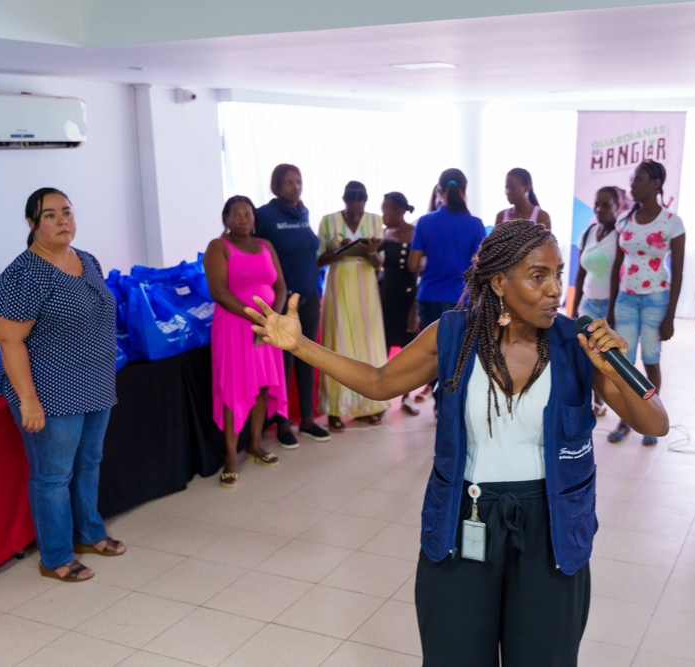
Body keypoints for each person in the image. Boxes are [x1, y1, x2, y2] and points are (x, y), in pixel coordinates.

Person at [246, 219, 669, 666]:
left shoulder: (576, 343)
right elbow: (378, 381)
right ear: (499, 281)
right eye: (538, 275)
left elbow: (655, 422)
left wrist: (612, 369)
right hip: (464, 517)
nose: (554, 290)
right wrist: (300, 346)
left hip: (552, 526)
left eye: (558, 275)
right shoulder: (452, 336)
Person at [0, 188, 125, 582]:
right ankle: (56, 556)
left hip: (94, 382)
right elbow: (8, 339)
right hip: (49, 391)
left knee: (89, 463)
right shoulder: (24, 273)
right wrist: (28, 401)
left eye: (66, 211)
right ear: (32, 224)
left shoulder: (86, 259)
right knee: (53, 476)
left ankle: (89, 533)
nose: (62, 220)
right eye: (50, 215)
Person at [203, 196, 287, 488]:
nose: (242, 220)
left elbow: (280, 285)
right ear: (225, 218)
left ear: (254, 218)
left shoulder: (266, 245)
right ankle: (230, 457)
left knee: (262, 383)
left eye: (247, 214)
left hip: (266, 326)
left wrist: (272, 316)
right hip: (234, 325)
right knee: (234, 386)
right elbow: (219, 292)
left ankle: (254, 444)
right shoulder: (218, 247)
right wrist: (255, 316)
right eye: (235, 215)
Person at [607, 160, 685, 445]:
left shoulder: (672, 223)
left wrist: (671, 317)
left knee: (651, 360)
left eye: (638, 180)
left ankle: (652, 418)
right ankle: (626, 419)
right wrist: (611, 307)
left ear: (655, 184)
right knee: (624, 362)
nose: (632, 185)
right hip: (626, 299)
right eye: (632, 179)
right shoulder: (624, 220)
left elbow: (678, 272)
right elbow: (618, 262)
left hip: (656, 300)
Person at [255, 164, 331, 448]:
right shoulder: (264, 216)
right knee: (283, 363)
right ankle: (283, 422)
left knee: (307, 357)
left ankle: (308, 421)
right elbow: (257, 254)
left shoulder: (303, 212)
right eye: (288, 182)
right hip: (284, 303)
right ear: (276, 187)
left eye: (298, 181)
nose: (295, 186)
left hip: (311, 296)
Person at [316, 181, 391, 431]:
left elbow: (378, 263)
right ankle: (336, 408)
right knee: (339, 344)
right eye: (352, 197)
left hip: (366, 287)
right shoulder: (328, 222)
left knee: (367, 344)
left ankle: (369, 405)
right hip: (339, 286)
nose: (357, 203)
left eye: (361, 198)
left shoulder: (375, 221)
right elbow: (318, 261)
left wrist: (370, 252)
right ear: (344, 199)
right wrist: (337, 251)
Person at [409, 168, 486, 329]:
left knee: (431, 351)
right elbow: (479, 265)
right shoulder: (475, 224)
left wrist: (430, 261)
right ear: (464, 190)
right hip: (461, 299)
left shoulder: (424, 222)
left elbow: (413, 265)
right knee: (458, 352)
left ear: (439, 190)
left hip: (428, 297)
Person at [570, 186, 621, 416]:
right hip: (588, 304)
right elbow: (580, 273)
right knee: (585, 354)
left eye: (606, 205)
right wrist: (573, 308)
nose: (600, 209)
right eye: (597, 204)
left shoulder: (621, 235)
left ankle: (605, 400)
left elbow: (618, 274)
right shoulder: (589, 233)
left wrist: (611, 312)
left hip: (610, 304)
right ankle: (591, 399)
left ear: (618, 207)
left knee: (608, 355)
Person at [380, 191, 421, 415]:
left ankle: (407, 396)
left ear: (399, 211)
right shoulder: (384, 233)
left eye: (386, 209)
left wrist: (414, 310)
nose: (382, 214)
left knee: (408, 350)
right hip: (386, 297)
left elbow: (419, 273)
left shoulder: (415, 234)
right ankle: (382, 397)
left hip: (407, 298)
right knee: (383, 346)